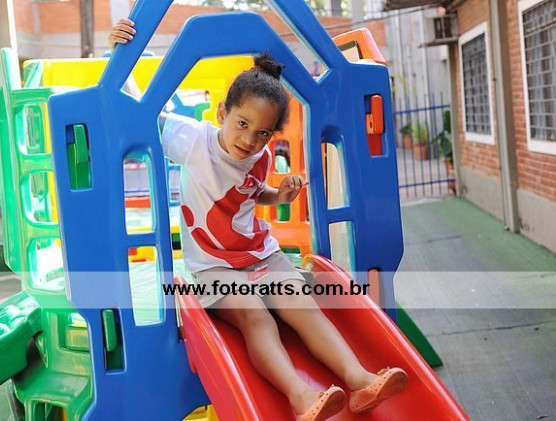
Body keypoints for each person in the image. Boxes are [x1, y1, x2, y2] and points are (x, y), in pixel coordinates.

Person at [109, 19, 408, 421]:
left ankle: (359, 380)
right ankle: (300, 396)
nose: (250, 139)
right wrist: (121, 55)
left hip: (262, 255)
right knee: (257, 317)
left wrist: (278, 194)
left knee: (304, 307)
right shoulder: (193, 140)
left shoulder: (260, 157)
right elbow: (140, 114)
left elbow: (251, 194)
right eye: (243, 124)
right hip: (214, 268)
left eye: (263, 133)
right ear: (223, 112)